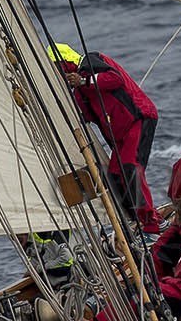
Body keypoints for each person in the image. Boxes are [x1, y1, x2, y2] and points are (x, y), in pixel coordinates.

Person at [61, 50, 160, 231]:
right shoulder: (79, 91)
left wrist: (84, 81)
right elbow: (86, 114)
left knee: (130, 168)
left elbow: (115, 78)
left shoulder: (91, 61)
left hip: (138, 119)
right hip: (119, 134)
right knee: (114, 174)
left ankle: (152, 223)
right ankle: (135, 219)